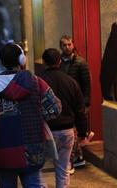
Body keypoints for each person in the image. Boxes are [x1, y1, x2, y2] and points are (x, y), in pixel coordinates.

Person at [0, 43, 62, 188]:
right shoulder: (36, 83)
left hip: (4, 155)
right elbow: (55, 108)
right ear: (22, 60)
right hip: (33, 152)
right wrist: (38, 115)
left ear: (2, 61)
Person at [39, 48, 88, 188]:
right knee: (63, 168)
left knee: (37, 168)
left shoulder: (38, 81)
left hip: (44, 130)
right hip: (67, 131)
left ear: (44, 62)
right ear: (59, 62)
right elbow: (80, 110)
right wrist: (83, 133)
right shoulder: (70, 82)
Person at [59, 35, 93, 172]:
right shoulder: (59, 63)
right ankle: (78, 158)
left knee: (74, 130)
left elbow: (86, 84)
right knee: (72, 130)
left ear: (73, 45)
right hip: (64, 102)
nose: (67, 47)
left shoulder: (80, 62)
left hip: (77, 102)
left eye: (69, 44)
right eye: (64, 45)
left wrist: (86, 102)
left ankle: (73, 159)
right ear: (60, 47)